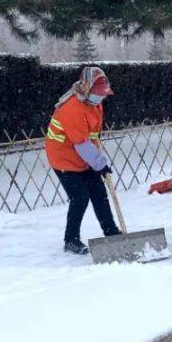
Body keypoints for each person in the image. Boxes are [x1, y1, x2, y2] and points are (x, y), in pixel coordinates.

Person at [45, 65, 121, 255]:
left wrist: (96, 159)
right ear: (86, 88)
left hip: (84, 154)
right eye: (98, 94)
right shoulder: (72, 107)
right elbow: (80, 143)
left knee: (99, 192)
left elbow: (91, 135)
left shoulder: (94, 102)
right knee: (80, 197)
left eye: (103, 94)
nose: (101, 97)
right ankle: (71, 240)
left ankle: (111, 232)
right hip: (63, 157)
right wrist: (99, 164)